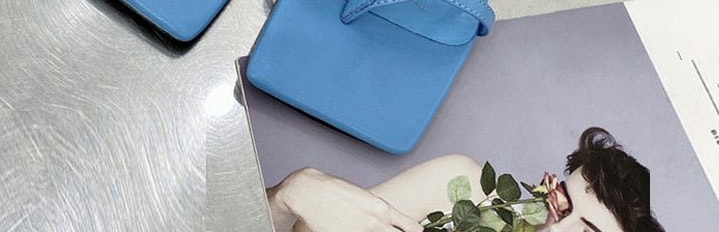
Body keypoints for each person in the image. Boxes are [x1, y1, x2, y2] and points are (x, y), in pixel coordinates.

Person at [265, 127, 662, 232]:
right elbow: (303, 227)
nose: (556, 229)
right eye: (563, 204)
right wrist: (289, 194)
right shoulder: (462, 185)